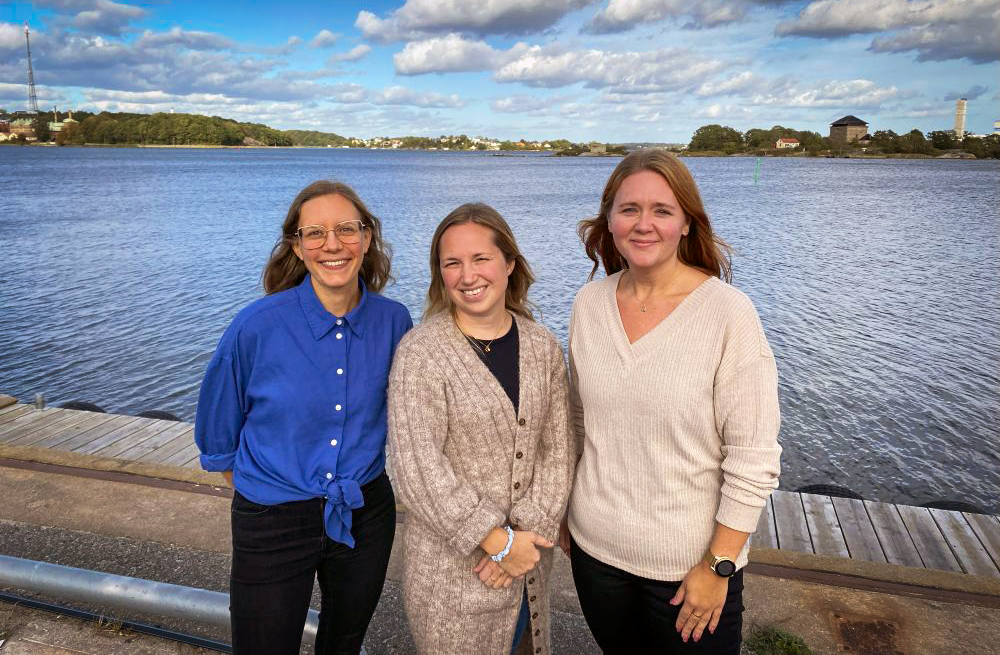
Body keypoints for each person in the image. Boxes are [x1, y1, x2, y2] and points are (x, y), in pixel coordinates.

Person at [560, 150, 782, 654]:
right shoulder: (589, 303)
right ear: (609, 220)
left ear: (686, 223)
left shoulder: (728, 313)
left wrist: (718, 565)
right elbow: (578, 421)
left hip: (689, 569)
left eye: (662, 210)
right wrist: (566, 511)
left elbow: (753, 457)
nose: (644, 224)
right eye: (629, 209)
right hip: (596, 554)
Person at [194, 180, 412, 655]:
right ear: (296, 245)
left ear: (367, 237)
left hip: (364, 512)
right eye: (315, 233)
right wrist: (268, 491)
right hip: (272, 517)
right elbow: (217, 428)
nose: (333, 245)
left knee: (344, 642)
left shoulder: (395, 321)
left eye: (346, 229)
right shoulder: (256, 325)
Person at [387, 203, 574, 655]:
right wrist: (495, 541)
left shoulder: (543, 346)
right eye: (452, 263)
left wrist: (523, 539)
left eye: (481, 259)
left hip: (529, 565)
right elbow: (416, 469)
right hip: (453, 576)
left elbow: (559, 450)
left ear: (509, 263)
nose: (467, 275)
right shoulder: (421, 353)